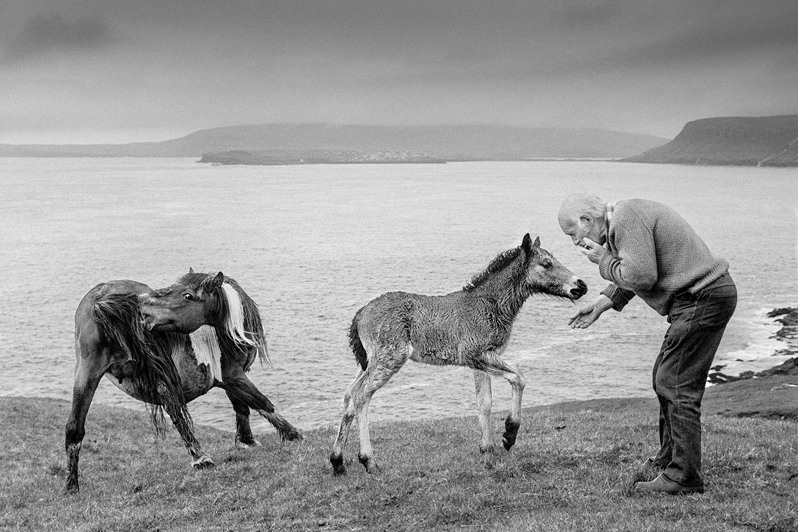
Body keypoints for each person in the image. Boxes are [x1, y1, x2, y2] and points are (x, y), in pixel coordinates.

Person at [557, 193, 737, 495]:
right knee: (664, 379)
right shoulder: (620, 222)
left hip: (702, 298)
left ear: (587, 221)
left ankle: (684, 477)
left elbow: (641, 275)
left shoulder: (627, 218)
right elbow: (634, 268)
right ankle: (670, 460)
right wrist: (603, 303)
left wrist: (604, 260)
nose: (574, 242)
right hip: (702, 297)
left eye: (572, 233)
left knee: (674, 382)